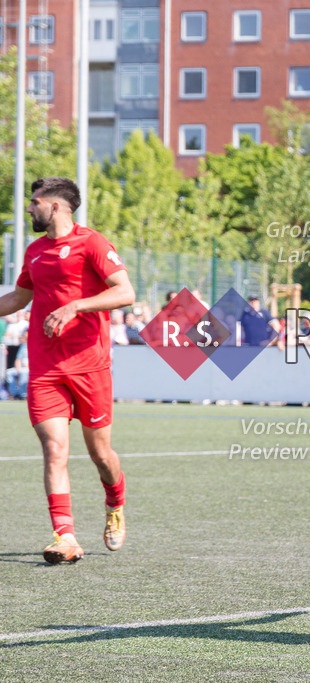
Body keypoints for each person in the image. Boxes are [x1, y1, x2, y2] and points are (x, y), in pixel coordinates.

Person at [0, 177, 135, 564]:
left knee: (101, 454)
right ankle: (65, 536)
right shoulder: (34, 251)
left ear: (55, 206)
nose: (29, 208)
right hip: (45, 368)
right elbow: (18, 297)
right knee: (54, 449)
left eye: (35, 202)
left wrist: (76, 306)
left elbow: (125, 292)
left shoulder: (92, 243)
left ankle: (115, 503)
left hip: (90, 365)